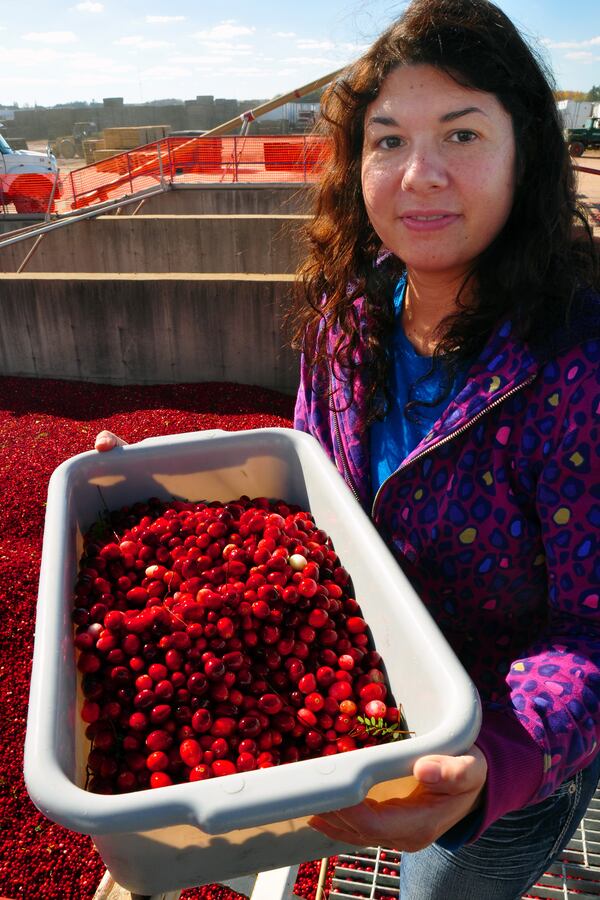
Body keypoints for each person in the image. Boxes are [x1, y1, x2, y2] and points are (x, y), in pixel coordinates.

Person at [96, 0, 599, 896]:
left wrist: (491, 766)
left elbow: (592, 631)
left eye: (461, 133)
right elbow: (310, 477)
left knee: (436, 884)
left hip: (492, 759)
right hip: (373, 701)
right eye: (388, 140)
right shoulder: (350, 315)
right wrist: (166, 511)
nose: (420, 174)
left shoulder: (576, 366)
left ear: (527, 151)